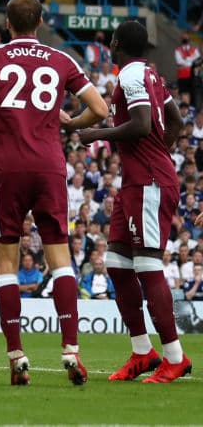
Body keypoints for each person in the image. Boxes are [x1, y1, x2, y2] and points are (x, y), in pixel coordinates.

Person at [0, 0, 107, 386]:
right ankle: (71, 351)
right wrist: (69, 124)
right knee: (60, 257)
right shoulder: (63, 60)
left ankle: (16, 357)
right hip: (49, 166)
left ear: (7, 23)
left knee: (6, 261)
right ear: (40, 22)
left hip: (8, 167)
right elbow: (99, 109)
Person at [80, 20, 191, 383]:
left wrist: (99, 134)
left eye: (110, 42)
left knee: (146, 266)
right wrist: (160, 150)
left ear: (115, 44)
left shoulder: (130, 77)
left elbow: (143, 124)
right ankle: (143, 351)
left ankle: (175, 356)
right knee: (115, 263)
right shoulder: (153, 76)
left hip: (149, 181)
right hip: (137, 181)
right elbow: (175, 120)